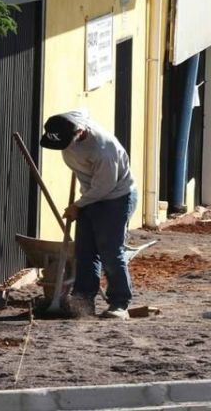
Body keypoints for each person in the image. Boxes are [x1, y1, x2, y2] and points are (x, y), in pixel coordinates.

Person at [40, 110, 137, 319]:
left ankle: (119, 304)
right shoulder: (70, 122)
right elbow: (82, 110)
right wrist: (82, 202)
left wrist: (78, 205)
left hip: (116, 197)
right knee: (84, 252)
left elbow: (104, 186)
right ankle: (83, 304)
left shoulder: (104, 149)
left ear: (79, 133)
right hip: (90, 195)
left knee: (110, 252)